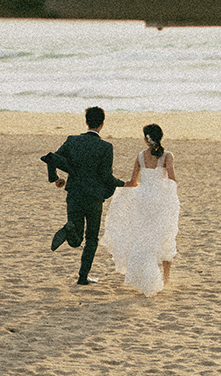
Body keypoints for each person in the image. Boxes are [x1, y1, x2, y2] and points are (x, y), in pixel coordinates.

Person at [41, 106, 125, 285]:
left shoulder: (72, 141)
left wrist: (55, 178)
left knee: (76, 238)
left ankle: (69, 228)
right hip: (94, 198)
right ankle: (82, 276)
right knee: (91, 238)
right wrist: (124, 184)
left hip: (74, 194)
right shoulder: (106, 147)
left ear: (86, 122)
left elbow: (52, 157)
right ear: (102, 124)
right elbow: (106, 176)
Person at [100, 123, 180, 297]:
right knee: (165, 236)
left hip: (143, 199)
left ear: (146, 140)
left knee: (144, 237)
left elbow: (133, 181)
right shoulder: (167, 156)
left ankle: (146, 275)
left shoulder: (140, 156)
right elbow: (172, 179)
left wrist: (124, 189)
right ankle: (166, 278)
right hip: (160, 200)